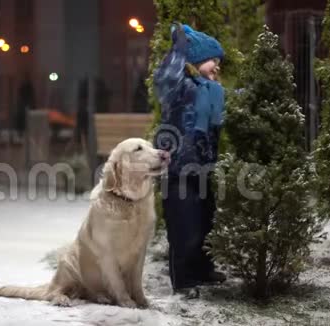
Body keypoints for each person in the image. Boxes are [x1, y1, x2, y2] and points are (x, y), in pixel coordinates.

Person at [153, 23, 226, 299]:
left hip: (203, 167)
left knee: (205, 222)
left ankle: (202, 269)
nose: (217, 66)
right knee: (184, 225)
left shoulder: (211, 90)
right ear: (194, 60)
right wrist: (180, 48)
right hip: (178, 168)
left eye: (219, 62)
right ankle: (182, 279)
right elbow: (165, 75)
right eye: (212, 60)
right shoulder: (178, 85)